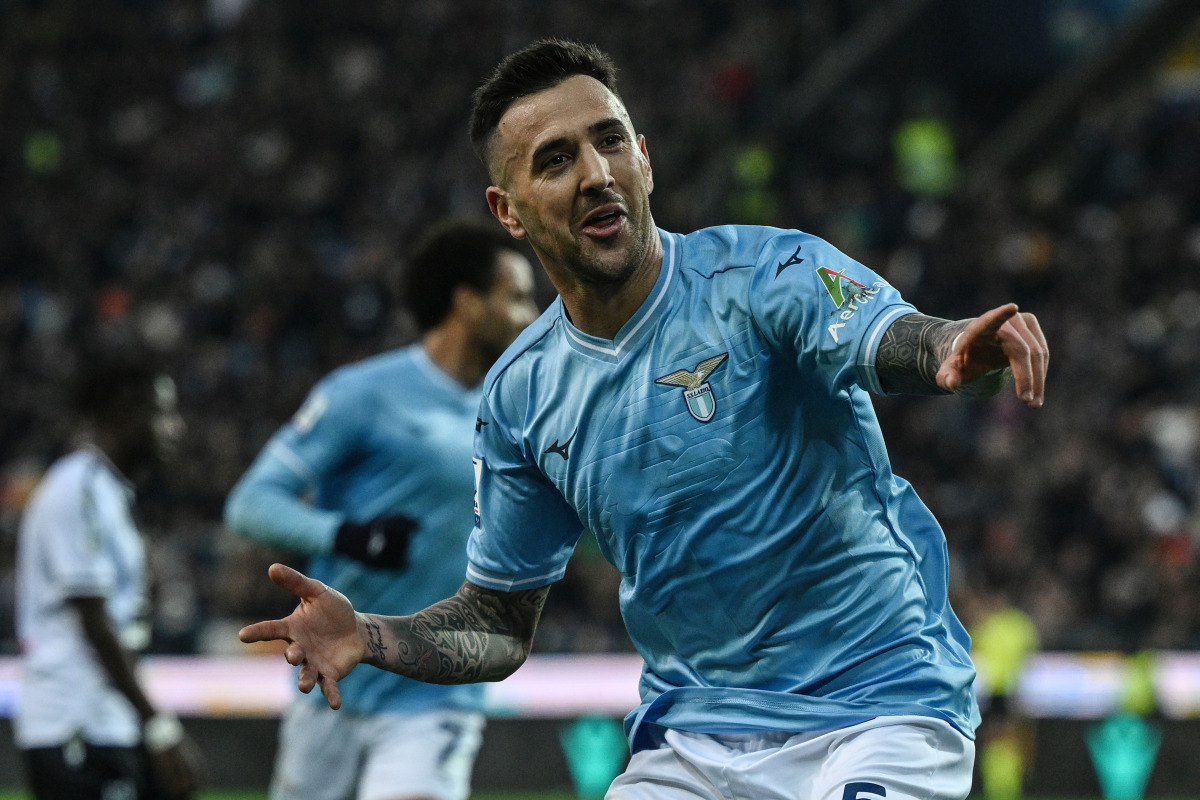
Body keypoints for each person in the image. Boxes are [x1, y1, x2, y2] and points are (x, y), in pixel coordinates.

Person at [240, 39, 1050, 800]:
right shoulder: (522, 394)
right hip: (694, 741)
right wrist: (369, 636)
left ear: (645, 158)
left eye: (610, 141)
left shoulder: (764, 273)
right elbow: (497, 622)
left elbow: (890, 338)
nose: (596, 173)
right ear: (508, 210)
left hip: (878, 707)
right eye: (556, 159)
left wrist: (951, 346)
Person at [224, 217, 538, 800]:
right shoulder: (363, 394)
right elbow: (251, 504)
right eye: (517, 297)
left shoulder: (523, 412)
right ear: (467, 303)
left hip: (440, 689)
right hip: (332, 675)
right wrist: (348, 537)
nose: (532, 316)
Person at [15, 359, 204, 800]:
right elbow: (95, 624)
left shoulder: (109, 491)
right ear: (123, 413)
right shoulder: (77, 489)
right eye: (162, 412)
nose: (174, 428)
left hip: (106, 719)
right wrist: (158, 727)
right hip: (74, 724)